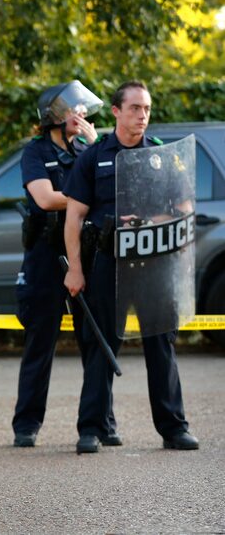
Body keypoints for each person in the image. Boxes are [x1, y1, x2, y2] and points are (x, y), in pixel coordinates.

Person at [63, 80, 199, 453]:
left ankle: (174, 428)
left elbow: (183, 209)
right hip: (108, 263)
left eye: (147, 109)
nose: (142, 115)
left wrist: (152, 219)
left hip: (153, 265)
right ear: (116, 112)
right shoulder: (94, 157)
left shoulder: (160, 155)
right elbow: (73, 218)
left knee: (161, 345)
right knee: (100, 346)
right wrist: (75, 269)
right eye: (135, 108)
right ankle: (91, 429)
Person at [12, 81, 102, 448]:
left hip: (84, 252)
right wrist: (83, 197)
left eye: (82, 110)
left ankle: (101, 422)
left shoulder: (87, 149)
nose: (80, 116)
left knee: (93, 340)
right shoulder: (35, 153)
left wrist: (95, 147)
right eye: (73, 110)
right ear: (54, 116)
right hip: (46, 255)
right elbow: (46, 199)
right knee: (40, 339)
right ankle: (26, 424)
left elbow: (111, 183)